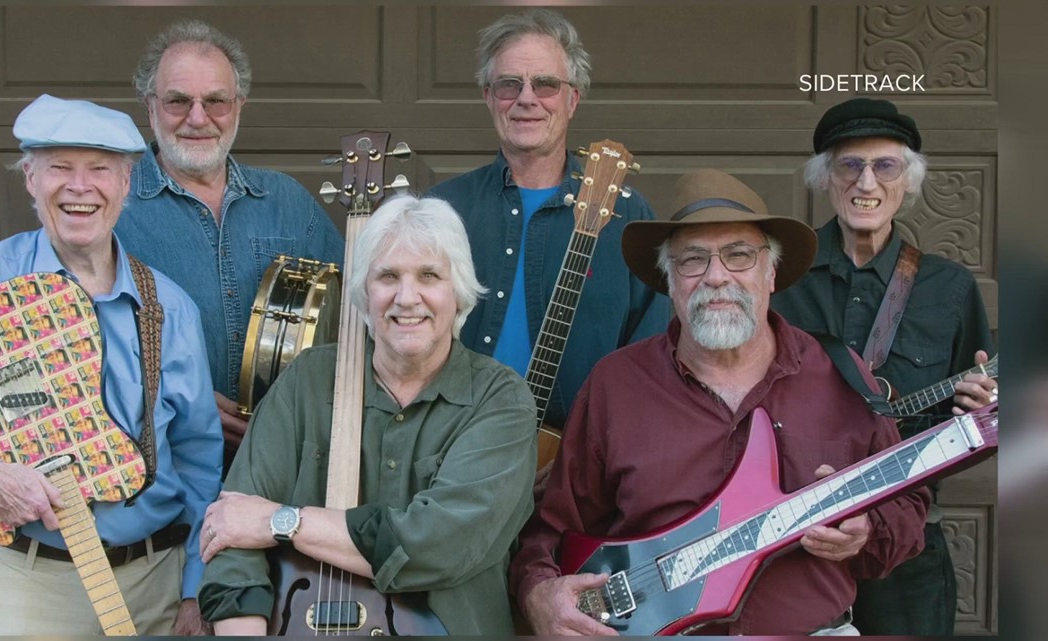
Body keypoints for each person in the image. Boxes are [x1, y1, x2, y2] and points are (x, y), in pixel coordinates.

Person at [510, 169, 930, 636]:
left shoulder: (838, 374)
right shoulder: (617, 384)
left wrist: (867, 530)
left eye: (739, 256)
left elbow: (909, 509)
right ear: (670, 282)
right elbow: (550, 531)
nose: (715, 277)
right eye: (692, 260)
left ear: (771, 273)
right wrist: (539, 596)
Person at [197, 195, 537, 635]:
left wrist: (280, 521)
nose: (407, 297)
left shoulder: (501, 400)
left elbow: (435, 544)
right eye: (388, 276)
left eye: (429, 276)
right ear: (363, 292)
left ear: (458, 292)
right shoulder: (308, 380)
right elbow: (230, 532)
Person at [0, 94, 223, 635]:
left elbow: (199, 458)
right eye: (60, 168)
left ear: (126, 186)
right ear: (31, 179)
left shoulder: (168, 308)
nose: (80, 188)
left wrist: (195, 586)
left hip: (154, 586)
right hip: (23, 585)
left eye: (100, 170)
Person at [770, 97, 997, 636]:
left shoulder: (950, 287)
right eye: (849, 165)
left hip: (905, 540)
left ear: (908, 182)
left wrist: (980, 415)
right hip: (792, 537)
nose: (865, 182)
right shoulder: (777, 274)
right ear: (826, 178)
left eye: (884, 166)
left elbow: (976, 427)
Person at [114, 19, 345, 466]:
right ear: (150, 107)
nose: (197, 118)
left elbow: (354, 321)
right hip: (160, 466)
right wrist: (178, 401)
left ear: (239, 105)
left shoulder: (287, 202)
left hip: (279, 466)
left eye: (215, 101)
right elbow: (80, 342)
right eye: (178, 100)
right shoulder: (114, 207)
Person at [427, 8, 669, 431]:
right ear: (488, 97)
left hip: (582, 470)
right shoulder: (441, 210)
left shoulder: (628, 215)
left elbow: (653, 361)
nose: (526, 98)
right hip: (452, 457)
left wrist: (585, 454)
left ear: (572, 99)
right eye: (508, 84)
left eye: (545, 84)